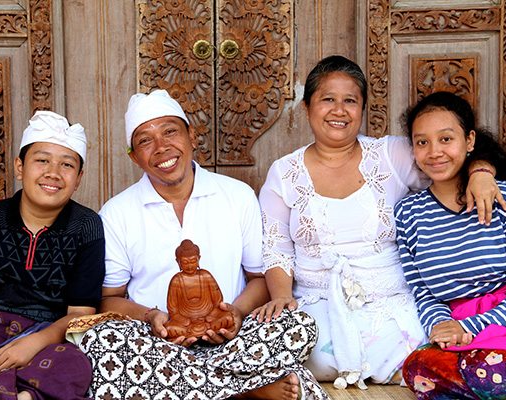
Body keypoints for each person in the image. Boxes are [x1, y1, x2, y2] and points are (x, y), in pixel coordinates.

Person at [252, 55, 505, 390]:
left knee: (439, 360)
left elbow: (450, 152)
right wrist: (282, 297)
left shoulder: (392, 155)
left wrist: (482, 171)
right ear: (307, 108)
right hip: (316, 310)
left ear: (362, 109)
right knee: (263, 346)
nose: (339, 110)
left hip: (392, 307)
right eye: (328, 99)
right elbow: (277, 248)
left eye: (350, 101)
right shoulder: (284, 173)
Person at [79, 89, 328, 400]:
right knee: (101, 341)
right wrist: (153, 318)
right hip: (159, 344)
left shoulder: (236, 196)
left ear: (192, 136)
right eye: (145, 140)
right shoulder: (118, 212)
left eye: (170, 131)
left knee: (297, 324)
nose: (161, 147)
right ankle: (243, 391)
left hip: (233, 340)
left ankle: (186, 387)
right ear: (134, 156)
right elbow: (110, 299)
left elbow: (259, 279)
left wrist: (235, 313)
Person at [395, 91, 506, 399]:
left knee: (482, 369)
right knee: (419, 368)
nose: (434, 152)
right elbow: (423, 291)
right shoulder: (408, 213)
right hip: (461, 333)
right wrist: (442, 325)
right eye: (422, 142)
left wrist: (470, 327)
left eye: (445, 139)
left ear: (469, 142)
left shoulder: (502, 197)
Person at [0, 111, 105, 400]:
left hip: (46, 339)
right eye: (42, 160)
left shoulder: (86, 226)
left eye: (67, 164)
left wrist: (35, 343)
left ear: (79, 178)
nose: (53, 173)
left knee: (76, 366)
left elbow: (80, 315)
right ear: (19, 167)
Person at [165, 239, 234, 339]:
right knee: (169, 329)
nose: (189, 266)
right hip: (186, 323)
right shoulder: (176, 281)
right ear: (178, 261)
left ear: (199, 259)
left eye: (193, 261)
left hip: (210, 318)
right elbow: (173, 310)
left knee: (228, 319)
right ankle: (203, 332)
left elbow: (218, 302)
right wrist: (186, 321)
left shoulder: (206, 276)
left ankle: (206, 331)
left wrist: (210, 316)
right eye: (185, 262)